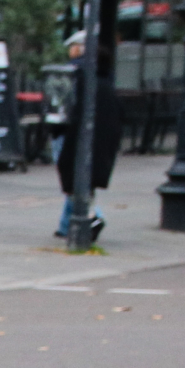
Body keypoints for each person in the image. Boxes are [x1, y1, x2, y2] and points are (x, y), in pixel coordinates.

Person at [52, 31, 121, 243]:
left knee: (73, 178)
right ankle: (69, 224)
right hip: (101, 138)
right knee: (82, 180)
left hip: (74, 134)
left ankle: (90, 217)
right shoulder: (105, 79)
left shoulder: (78, 75)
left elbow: (65, 105)